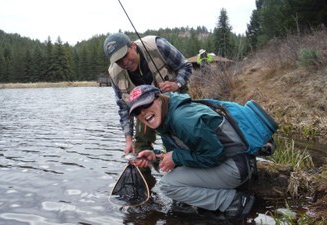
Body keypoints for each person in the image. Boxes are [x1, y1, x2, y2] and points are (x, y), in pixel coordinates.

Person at [128, 84, 255, 220]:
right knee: (174, 173)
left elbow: (215, 155)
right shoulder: (168, 114)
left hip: (235, 167)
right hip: (233, 161)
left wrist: (176, 157)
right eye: (137, 111)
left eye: (146, 104)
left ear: (158, 99)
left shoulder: (182, 119)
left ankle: (232, 201)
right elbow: (184, 150)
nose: (142, 112)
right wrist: (155, 157)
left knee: (167, 186)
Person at [103, 33, 192, 171]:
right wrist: (128, 139)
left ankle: (185, 168)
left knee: (182, 140)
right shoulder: (114, 73)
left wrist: (177, 84)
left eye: (125, 55)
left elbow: (186, 66)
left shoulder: (157, 46)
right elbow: (123, 108)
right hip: (144, 108)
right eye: (119, 60)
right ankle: (149, 177)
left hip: (174, 99)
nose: (124, 62)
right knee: (140, 149)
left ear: (133, 46)